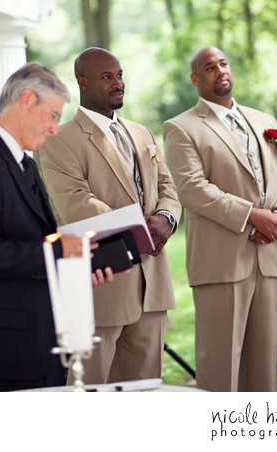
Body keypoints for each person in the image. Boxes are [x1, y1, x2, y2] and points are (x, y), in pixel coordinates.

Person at [0, 62, 117, 392]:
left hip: (29, 343)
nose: (55, 128)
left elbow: (29, 241)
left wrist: (76, 263)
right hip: (2, 348)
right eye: (54, 115)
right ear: (27, 99)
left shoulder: (23, 162)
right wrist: (59, 249)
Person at [162, 47, 277, 391]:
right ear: (196, 79)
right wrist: (254, 216)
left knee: (264, 365)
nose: (219, 70)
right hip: (221, 261)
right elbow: (193, 189)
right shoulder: (181, 128)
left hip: (270, 255)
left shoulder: (264, 120)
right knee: (220, 366)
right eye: (209, 67)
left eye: (223, 63)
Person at [39, 48, 181, 385]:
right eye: (107, 77)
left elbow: (167, 186)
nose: (118, 83)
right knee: (92, 393)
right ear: (82, 82)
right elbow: (75, 204)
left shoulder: (142, 132)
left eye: (119, 75)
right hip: (101, 287)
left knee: (144, 393)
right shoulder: (60, 141)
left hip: (152, 288)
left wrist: (166, 218)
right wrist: (141, 231)